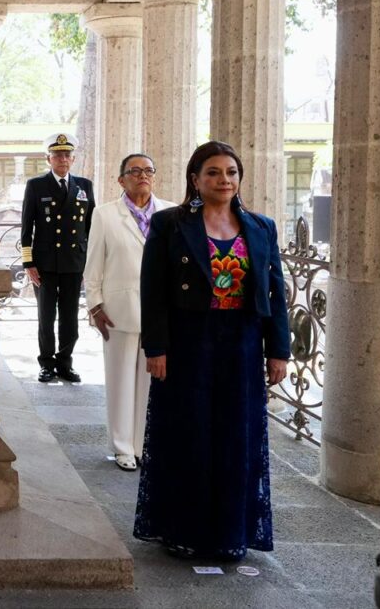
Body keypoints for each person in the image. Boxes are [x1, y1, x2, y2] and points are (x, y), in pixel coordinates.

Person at [134, 140, 290, 561]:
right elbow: (153, 292)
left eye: (231, 172)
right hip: (188, 343)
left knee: (236, 436)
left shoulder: (261, 227)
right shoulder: (170, 224)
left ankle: (230, 534)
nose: (224, 180)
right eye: (214, 172)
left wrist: (278, 350)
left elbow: (275, 293)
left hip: (242, 344)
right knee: (189, 433)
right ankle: (183, 531)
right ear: (196, 179)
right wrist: (156, 348)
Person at [83, 153, 175, 471]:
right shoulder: (105, 215)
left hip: (160, 312)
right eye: (135, 171)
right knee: (120, 381)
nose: (142, 176)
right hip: (118, 310)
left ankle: (143, 445)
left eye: (148, 170)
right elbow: (93, 264)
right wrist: (95, 305)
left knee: (152, 383)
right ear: (121, 180)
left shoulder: (170, 213)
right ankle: (122, 446)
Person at [20, 133, 96, 383]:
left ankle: (65, 363)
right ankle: (46, 364)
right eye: (57, 155)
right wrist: (28, 263)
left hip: (74, 263)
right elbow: (26, 227)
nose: (63, 159)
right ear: (48, 159)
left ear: (73, 159)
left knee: (70, 318)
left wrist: (90, 263)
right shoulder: (36, 185)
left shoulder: (84, 186)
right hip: (45, 264)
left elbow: (91, 227)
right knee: (46, 317)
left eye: (67, 155)